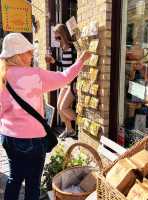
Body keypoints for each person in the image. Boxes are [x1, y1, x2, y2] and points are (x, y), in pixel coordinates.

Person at [0, 33, 91, 200]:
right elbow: (65, 78)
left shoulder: (2, 76)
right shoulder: (34, 75)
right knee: (33, 182)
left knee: (14, 178)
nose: (31, 55)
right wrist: (81, 61)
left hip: (9, 138)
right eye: (28, 52)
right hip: (33, 138)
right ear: (19, 55)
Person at [46, 24, 78, 137]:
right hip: (65, 82)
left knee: (64, 107)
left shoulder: (73, 49)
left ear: (64, 35)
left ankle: (81, 123)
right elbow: (65, 67)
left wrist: (75, 84)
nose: (57, 40)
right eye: (56, 38)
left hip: (72, 83)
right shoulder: (64, 49)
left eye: (58, 38)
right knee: (59, 108)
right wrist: (54, 62)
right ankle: (69, 129)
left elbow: (76, 67)